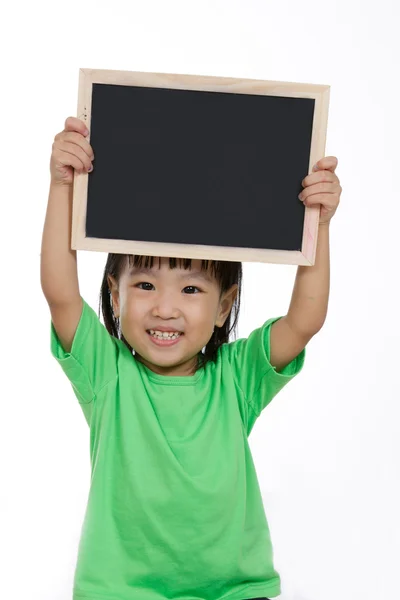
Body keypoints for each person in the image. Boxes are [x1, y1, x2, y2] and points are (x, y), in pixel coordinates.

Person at [41, 116, 341, 600]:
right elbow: (60, 293)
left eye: (191, 288)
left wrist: (319, 225)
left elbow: (304, 320)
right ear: (115, 299)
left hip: (234, 591)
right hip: (121, 591)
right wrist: (61, 187)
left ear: (224, 306)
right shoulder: (108, 374)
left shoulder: (237, 378)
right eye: (144, 284)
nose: (165, 307)